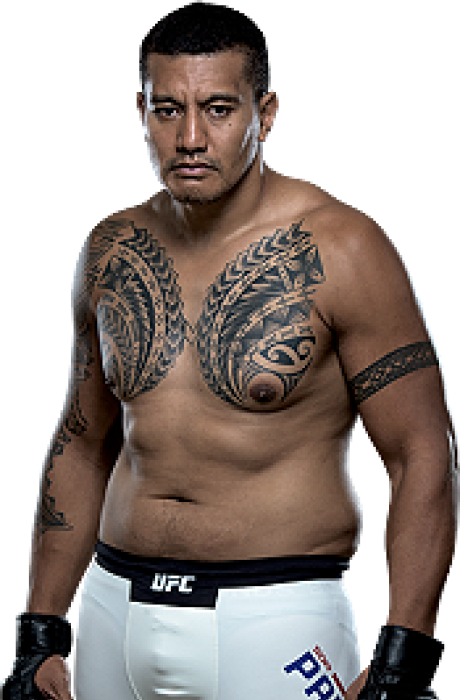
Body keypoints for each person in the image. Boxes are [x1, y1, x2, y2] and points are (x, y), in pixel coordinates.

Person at [2, 2, 457, 699]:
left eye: (218, 110)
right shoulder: (112, 248)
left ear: (263, 115)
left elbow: (420, 451)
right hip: (114, 605)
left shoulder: (342, 249)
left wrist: (408, 649)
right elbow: (83, 440)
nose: (190, 137)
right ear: (142, 114)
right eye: (168, 110)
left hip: (274, 615)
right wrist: (40, 627)